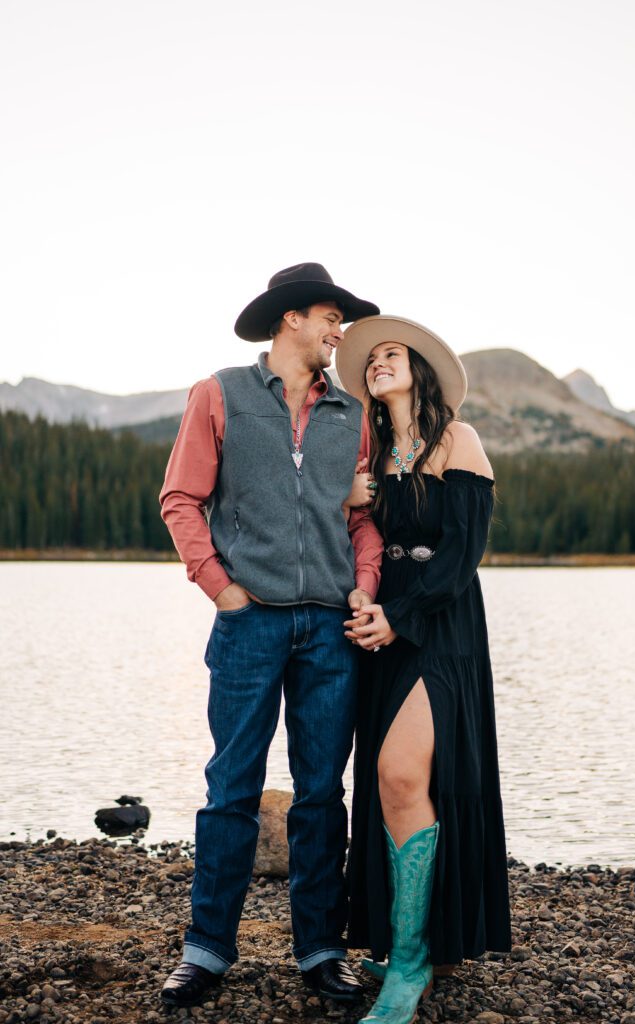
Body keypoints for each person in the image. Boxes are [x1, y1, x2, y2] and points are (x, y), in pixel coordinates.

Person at [158, 263, 384, 1007]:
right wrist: (219, 588)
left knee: (321, 794)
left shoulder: (351, 414)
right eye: (330, 317)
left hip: (327, 628)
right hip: (247, 623)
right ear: (291, 318)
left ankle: (320, 951)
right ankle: (205, 951)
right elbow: (181, 498)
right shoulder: (218, 393)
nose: (338, 332)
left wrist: (365, 588)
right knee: (232, 789)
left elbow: (361, 521)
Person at [336, 316, 512, 1024]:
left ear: (418, 371)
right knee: (394, 785)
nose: (378, 363)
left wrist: (399, 618)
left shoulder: (457, 440)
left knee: (402, 776)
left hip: (440, 624)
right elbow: (365, 538)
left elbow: (462, 553)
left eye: (390, 354)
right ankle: (411, 942)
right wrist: (363, 594)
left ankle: (408, 968)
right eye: (370, 358)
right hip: (383, 624)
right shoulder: (375, 454)